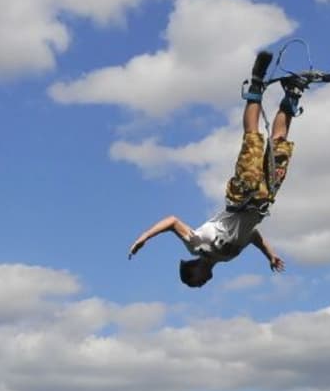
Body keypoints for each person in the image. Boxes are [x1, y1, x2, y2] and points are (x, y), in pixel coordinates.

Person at [128, 51, 303, 287]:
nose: (202, 284)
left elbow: (171, 222)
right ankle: (291, 94)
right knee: (279, 146)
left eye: (197, 283)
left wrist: (144, 237)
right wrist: (270, 255)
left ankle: (256, 84)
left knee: (253, 140)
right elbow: (252, 235)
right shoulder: (229, 256)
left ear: (193, 272)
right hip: (264, 199)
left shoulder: (196, 245)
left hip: (242, 195)